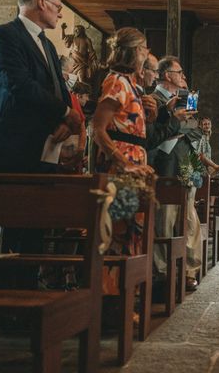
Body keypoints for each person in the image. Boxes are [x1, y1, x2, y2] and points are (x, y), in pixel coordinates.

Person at [0, 0, 81, 174]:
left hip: (48, 143)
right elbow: (19, 84)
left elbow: (57, 85)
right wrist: (65, 112)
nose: (60, 13)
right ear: (42, 3)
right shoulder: (5, 34)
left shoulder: (48, 44)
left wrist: (63, 122)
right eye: (58, 6)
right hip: (16, 146)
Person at [91, 27, 154, 295]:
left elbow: (127, 125)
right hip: (120, 167)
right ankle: (110, 299)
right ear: (132, 52)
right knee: (118, 232)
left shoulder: (131, 85)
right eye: (143, 50)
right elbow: (99, 129)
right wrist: (123, 162)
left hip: (133, 165)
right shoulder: (116, 81)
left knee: (133, 231)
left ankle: (127, 296)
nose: (146, 55)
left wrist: (148, 116)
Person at [149, 55, 202, 291]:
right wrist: (176, 123)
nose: (184, 77)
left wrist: (182, 125)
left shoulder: (183, 99)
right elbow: (153, 134)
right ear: (168, 75)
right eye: (180, 73)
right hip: (164, 165)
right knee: (165, 220)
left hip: (185, 164)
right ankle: (162, 273)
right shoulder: (153, 99)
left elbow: (195, 129)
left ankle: (189, 271)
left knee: (190, 220)